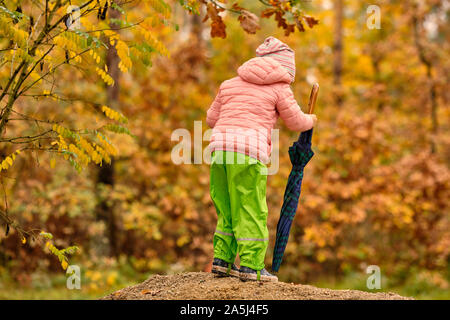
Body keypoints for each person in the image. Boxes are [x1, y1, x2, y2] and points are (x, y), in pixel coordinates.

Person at [207, 36, 317, 282]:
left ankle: (222, 260)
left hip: (219, 151)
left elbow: (211, 120)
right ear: (284, 68)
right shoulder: (279, 89)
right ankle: (251, 266)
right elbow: (295, 122)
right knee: (250, 206)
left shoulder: (228, 85)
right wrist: (312, 121)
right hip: (248, 153)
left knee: (226, 207)